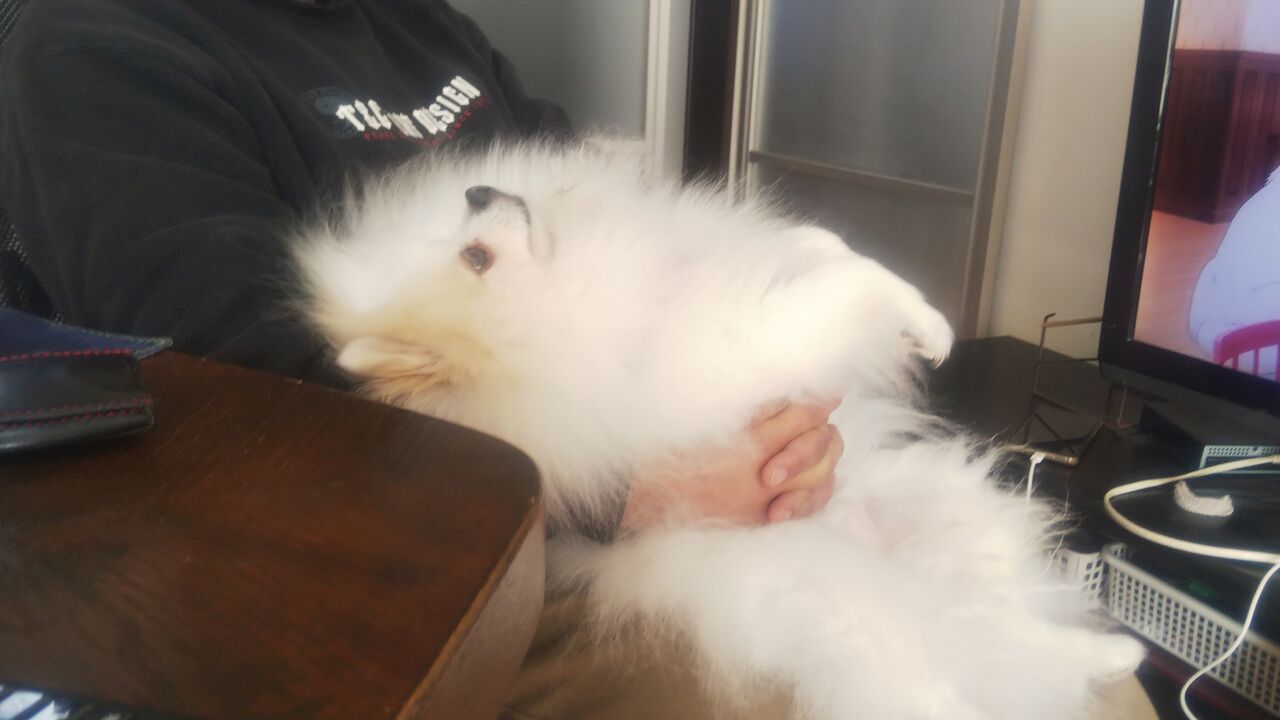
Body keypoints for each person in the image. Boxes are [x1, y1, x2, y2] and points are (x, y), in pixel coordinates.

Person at [0, 0, 845, 717]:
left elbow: (596, 204)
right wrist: (625, 489)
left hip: (603, 454)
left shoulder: (418, 21)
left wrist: (759, 424)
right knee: (778, 682)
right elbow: (247, 388)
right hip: (378, 561)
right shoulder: (96, 48)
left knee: (882, 576)